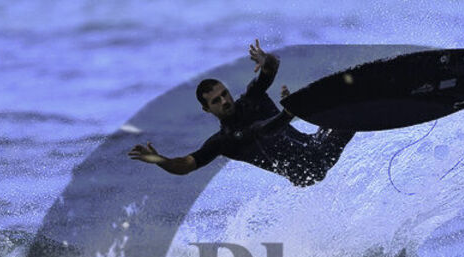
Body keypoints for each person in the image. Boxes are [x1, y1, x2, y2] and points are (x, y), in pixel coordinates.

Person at [128, 40, 354, 187]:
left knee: (343, 101)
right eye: (216, 101)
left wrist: (267, 60)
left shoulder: (251, 98)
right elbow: (186, 164)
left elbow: (270, 71)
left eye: (225, 94)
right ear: (207, 109)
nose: (225, 101)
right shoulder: (224, 141)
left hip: (315, 144)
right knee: (349, 115)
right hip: (308, 169)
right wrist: (159, 160)